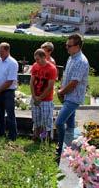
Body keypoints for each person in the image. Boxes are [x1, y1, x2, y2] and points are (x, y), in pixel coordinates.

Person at [56, 34, 89, 163]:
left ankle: (61, 148)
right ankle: (71, 149)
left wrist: (61, 91)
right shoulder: (72, 58)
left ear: (78, 46)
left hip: (73, 97)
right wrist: (62, 88)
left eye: (69, 46)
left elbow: (74, 82)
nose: (67, 48)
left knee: (59, 122)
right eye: (66, 45)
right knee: (70, 125)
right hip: (68, 95)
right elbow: (68, 77)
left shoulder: (81, 61)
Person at [0, 42, 18, 141]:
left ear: (7, 51)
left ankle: (12, 135)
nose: (0, 54)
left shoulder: (12, 63)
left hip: (8, 92)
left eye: (1, 52)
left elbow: (10, 80)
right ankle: (0, 132)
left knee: (10, 114)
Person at [30, 49, 57, 141]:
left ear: (44, 57)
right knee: (36, 119)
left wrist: (40, 98)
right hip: (35, 97)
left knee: (46, 121)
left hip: (46, 99)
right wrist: (34, 96)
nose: (36, 61)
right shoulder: (35, 66)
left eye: (38, 59)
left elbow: (50, 86)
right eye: (35, 59)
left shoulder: (52, 68)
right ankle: (36, 136)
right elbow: (32, 82)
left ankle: (46, 138)